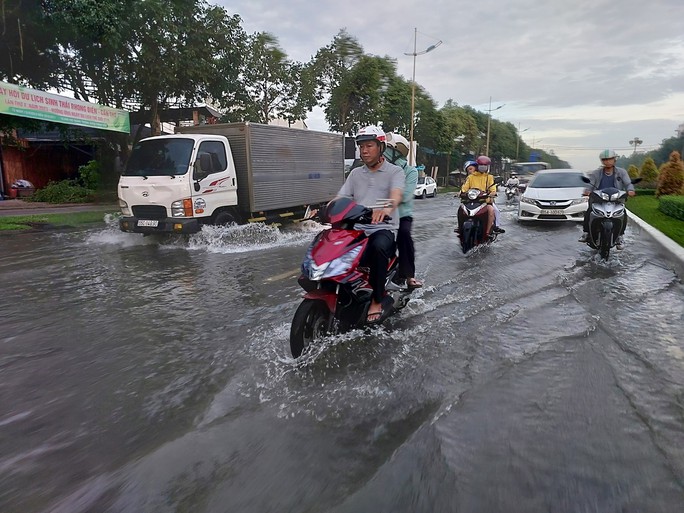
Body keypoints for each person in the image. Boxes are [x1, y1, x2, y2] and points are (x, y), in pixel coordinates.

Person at [337, 125, 405, 323]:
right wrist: (325, 209)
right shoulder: (356, 174)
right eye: (361, 146)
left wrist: (385, 209)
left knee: (377, 247)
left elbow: (396, 194)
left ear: (380, 147)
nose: (364, 150)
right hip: (357, 228)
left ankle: (377, 298)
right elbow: (342, 197)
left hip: (383, 228)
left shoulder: (394, 172)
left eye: (369, 146)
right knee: (331, 244)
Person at [384, 132, 423, 289]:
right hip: (378, 214)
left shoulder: (410, 172)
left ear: (396, 152)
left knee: (404, 236)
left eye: (386, 149)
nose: (383, 152)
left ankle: (409, 276)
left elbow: (405, 195)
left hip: (401, 216)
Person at [578, 149, 635, 250]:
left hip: (616, 199)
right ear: (602, 161)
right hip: (598, 199)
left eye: (610, 159)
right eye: (605, 159)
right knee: (589, 211)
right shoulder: (596, 173)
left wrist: (630, 190)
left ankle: (620, 236)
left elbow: (628, 183)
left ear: (614, 160)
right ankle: (586, 232)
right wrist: (587, 191)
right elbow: (589, 183)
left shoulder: (621, 172)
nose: (607, 161)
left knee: (623, 213)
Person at [458, 156, 504, 238]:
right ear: (477, 166)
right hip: (472, 201)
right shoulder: (471, 177)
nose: (483, 167)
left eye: (485, 165)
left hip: (485, 201)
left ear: (488, 166)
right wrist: (461, 192)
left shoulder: (489, 177)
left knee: (492, 210)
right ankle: (459, 228)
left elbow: (492, 188)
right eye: (481, 165)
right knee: (461, 209)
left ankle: (487, 232)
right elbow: (465, 188)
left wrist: (493, 193)